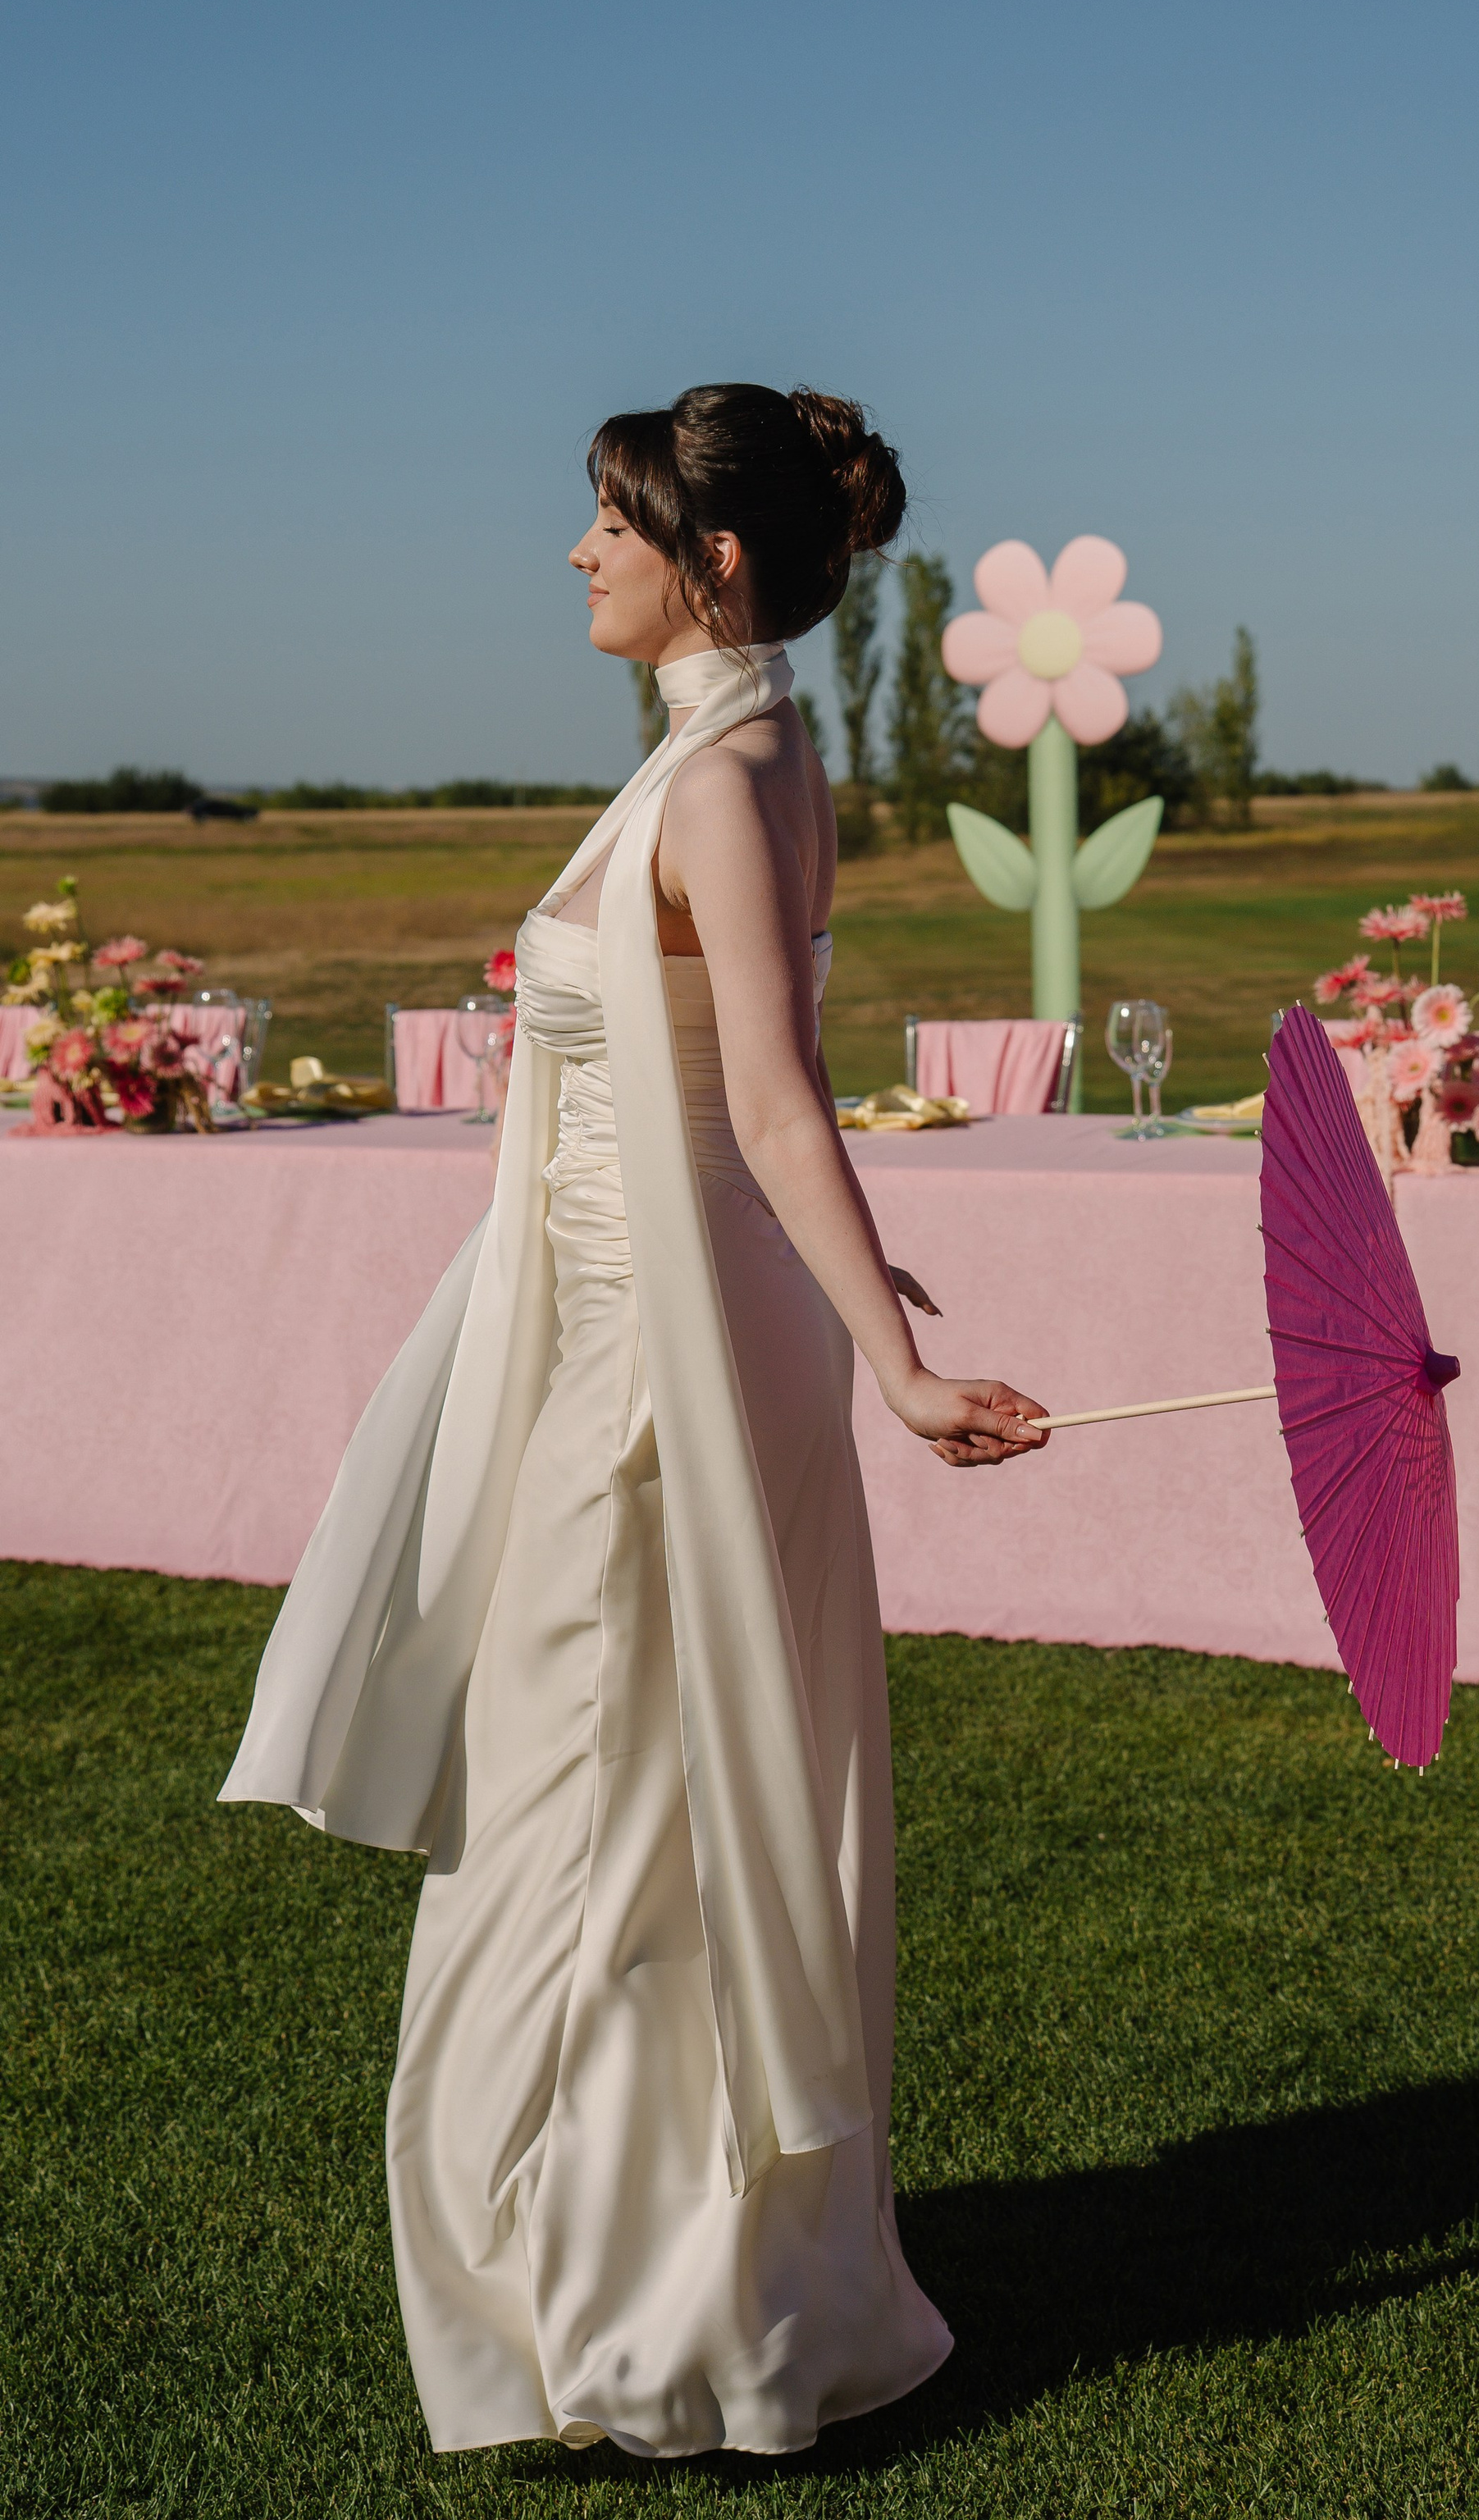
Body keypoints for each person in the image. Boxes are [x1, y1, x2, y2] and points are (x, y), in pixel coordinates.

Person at [222, 382, 1048, 2459]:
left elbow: (772, 1097)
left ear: (719, 563)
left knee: (584, 1817)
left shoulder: (719, 776)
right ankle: (676, 2272)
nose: (576, 554)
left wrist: (887, 1349)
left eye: (609, 522)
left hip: (660, 1374)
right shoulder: (743, 750)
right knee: (627, 1809)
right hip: (646, 1327)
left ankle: (625, 2317)